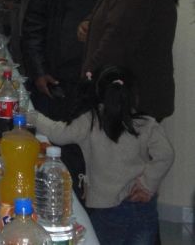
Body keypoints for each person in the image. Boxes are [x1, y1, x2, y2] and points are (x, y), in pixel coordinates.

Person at [21, 0, 108, 199]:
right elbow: (33, 27)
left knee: (98, 166)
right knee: (57, 160)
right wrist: (38, 72)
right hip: (58, 81)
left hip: (99, 84)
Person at [29, 65, 174, 245]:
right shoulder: (146, 123)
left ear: (98, 92)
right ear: (133, 95)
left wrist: (33, 116)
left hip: (106, 210)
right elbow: (166, 155)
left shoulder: (90, 121)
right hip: (142, 206)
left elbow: (58, 133)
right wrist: (147, 183)